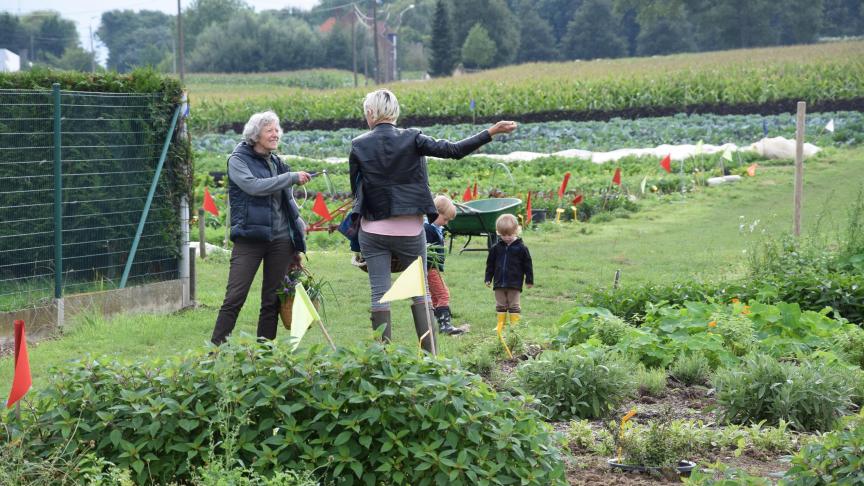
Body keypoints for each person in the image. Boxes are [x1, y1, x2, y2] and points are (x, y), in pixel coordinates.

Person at [349, 88, 517, 353]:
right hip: (410, 230)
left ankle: (381, 361)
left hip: (373, 231)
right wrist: (490, 132)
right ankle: (431, 358)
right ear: (395, 112)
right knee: (421, 293)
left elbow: (356, 191)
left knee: (379, 295)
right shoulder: (413, 138)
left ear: (370, 113)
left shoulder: (358, 144)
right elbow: (453, 150)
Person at [211, 111, 312, 345]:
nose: (275, 134)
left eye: (277, 130)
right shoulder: (238, 160)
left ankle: (264, 356)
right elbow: (254, 187)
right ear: (256, 135)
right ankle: (214, 353)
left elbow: (288, 205)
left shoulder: (277, 162)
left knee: (272, 300)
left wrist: (297, 237)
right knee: (234, 298)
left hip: (280, 241)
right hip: (249, 240)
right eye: (270, 130)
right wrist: (291, 177)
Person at [485, 214, 534, 337]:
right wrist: (488, 278)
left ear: (516, 231)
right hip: (499, 283)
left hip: (514, 283)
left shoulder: (522, 248)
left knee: (514, 305)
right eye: (503, 235)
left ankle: (514, 326)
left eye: (510, 234)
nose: (506, 238)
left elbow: (528, 265)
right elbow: (490, 264)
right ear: (499, 233)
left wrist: (529, 280)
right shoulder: (495, 249)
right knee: (500, 304)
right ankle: (500, 324)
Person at [424, 195, 464, 336]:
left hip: (433, 268)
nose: (445, 222)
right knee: (443, 293)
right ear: (435, 212)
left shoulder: (435, 228)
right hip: (429, 267)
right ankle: (445, 325)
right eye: (445, 219)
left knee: (435, 296)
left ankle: (436, 323)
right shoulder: (427, 229)